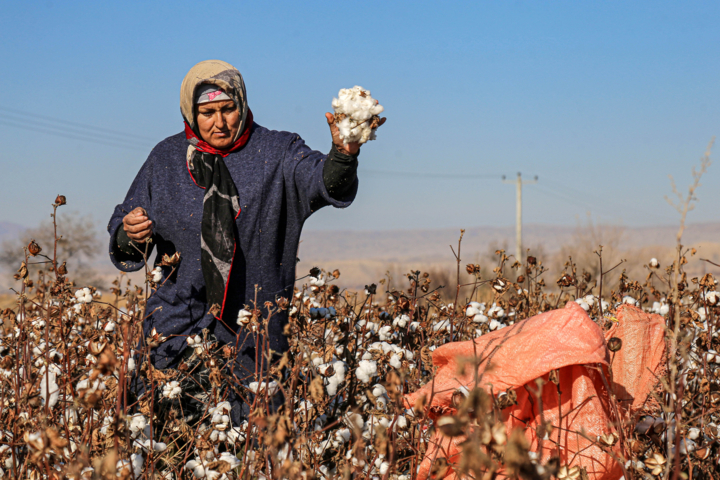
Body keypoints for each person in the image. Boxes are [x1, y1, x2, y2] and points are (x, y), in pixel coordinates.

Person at [107, 60, 384, 414]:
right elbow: (126, 235)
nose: (219, 122)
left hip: (253, 332)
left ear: (243, 103)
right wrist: (130, 232)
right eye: (207, 112)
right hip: (173, 328)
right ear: (190, 113)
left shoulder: (278, 152)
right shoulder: (165, 159)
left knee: (253, 439)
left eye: (228, 109)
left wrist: (345, 155)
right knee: (163, 436)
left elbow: (322, 182)